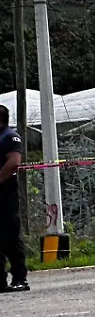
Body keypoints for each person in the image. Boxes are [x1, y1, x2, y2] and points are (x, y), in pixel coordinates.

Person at [0, 107, 25, 292]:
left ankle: (19, 277)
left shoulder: (9, 137)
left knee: (10, 236)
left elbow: (14, 162)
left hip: (5, 193)